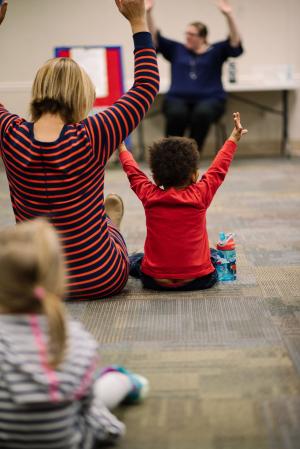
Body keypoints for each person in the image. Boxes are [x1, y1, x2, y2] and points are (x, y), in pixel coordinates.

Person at [0, 0, 159, 300]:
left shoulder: (10, 133)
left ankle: (104, 221)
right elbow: (146, 86)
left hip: (37, 284)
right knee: (110, 233)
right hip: (102, 277)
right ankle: (109, 223)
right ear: (81, 96)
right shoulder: (93, 134)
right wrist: (138, 20)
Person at [0, 218, 149, 449]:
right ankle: (124, 380)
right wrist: (112, 428)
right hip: (71, 441)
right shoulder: (77, 342)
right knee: (103, 390)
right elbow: (100, 424)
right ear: (59, 280)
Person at [118, 113, 248, 291]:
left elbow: (133, 173)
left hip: (155, 280)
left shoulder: (149, 195)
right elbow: (218, 168)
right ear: (194, 175)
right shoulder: (200, 194)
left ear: (156, 179)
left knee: (136, 260)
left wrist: (122, 147)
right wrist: (233, 138)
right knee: (214, 254)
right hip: (198, 280)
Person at [145, 0, 243, 152]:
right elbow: (155, 38)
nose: (188, 37)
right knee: (177, 114)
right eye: (187, 33)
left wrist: (229, 16)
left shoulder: (215, 51)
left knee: (202, 114)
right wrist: (148, 13)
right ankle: (170, 154)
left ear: (203, 37)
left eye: (192, 34)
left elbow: (235, 43)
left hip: (210, 99)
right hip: (178, 98)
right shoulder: (177, 49)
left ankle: (192, 154)